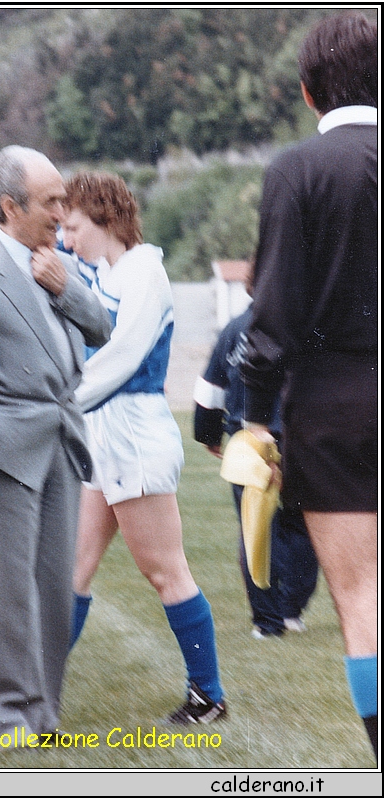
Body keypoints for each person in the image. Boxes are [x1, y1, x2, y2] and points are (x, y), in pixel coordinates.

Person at [239, 12, 377, 759]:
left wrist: (252, 418)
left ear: (306, 92)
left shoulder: (296, 170)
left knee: (360, 601)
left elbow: (274, 314)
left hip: (331, 406)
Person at [0, 145, 112, 742]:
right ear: (10, 206)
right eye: (51, 202)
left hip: (62, 440)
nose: (64, 214)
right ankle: (7, 713)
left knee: (54, 586)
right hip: (5, 449)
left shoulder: (55, 261)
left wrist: (66, 287)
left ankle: (44, 712)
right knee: (11, 590)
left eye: (64, 200)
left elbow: (102, 328)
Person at [61, 171, 226, 725]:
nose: (66, 238)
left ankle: (208, 694)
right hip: (105, 435)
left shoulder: (145, 272)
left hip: (133, 432)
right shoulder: (107, 269)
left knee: (165, 571)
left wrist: (61, 407)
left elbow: (126, 354)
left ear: (104, 219)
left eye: (74, 226)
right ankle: (36, 690)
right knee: (75, 568)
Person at [193, 302, 318, 639]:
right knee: (302, 526)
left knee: (255, 530)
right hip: (297, 440)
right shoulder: (304, 324)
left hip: (248, 443)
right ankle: (291, 609)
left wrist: (207, 434)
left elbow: (209, 390)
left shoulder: (233, 329)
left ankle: (267, 621)